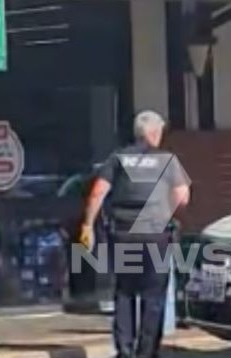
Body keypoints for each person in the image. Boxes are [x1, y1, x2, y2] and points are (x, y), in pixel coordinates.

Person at [79, 110, 190, 358]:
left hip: (123, 235)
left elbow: (97, 193)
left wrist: (87, 226)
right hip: (155, 236)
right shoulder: (167, 160)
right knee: (153, 297)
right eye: (159, 131)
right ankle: (147, 351)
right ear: (153, 133)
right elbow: (182, 197)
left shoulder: (118, 158)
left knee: (125, 293)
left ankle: (125, 350)